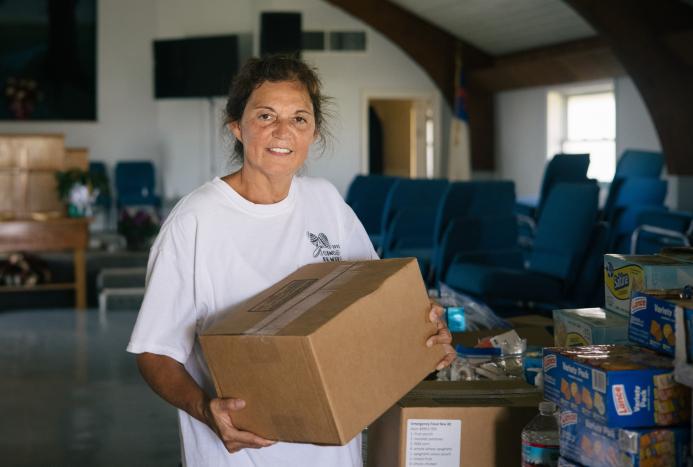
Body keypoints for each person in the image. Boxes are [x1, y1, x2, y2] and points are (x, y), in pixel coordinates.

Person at [127, 54, 455, 467]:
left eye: (299, 119)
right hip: (241, 457)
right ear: (237, 126)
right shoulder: (195, 222)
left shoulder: (326, 201)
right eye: (266, 116)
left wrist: (423, 334)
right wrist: (204, 409)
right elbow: (154, 353)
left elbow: (377, 305)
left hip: (334, 455)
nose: (283, 131)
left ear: (313, 132)